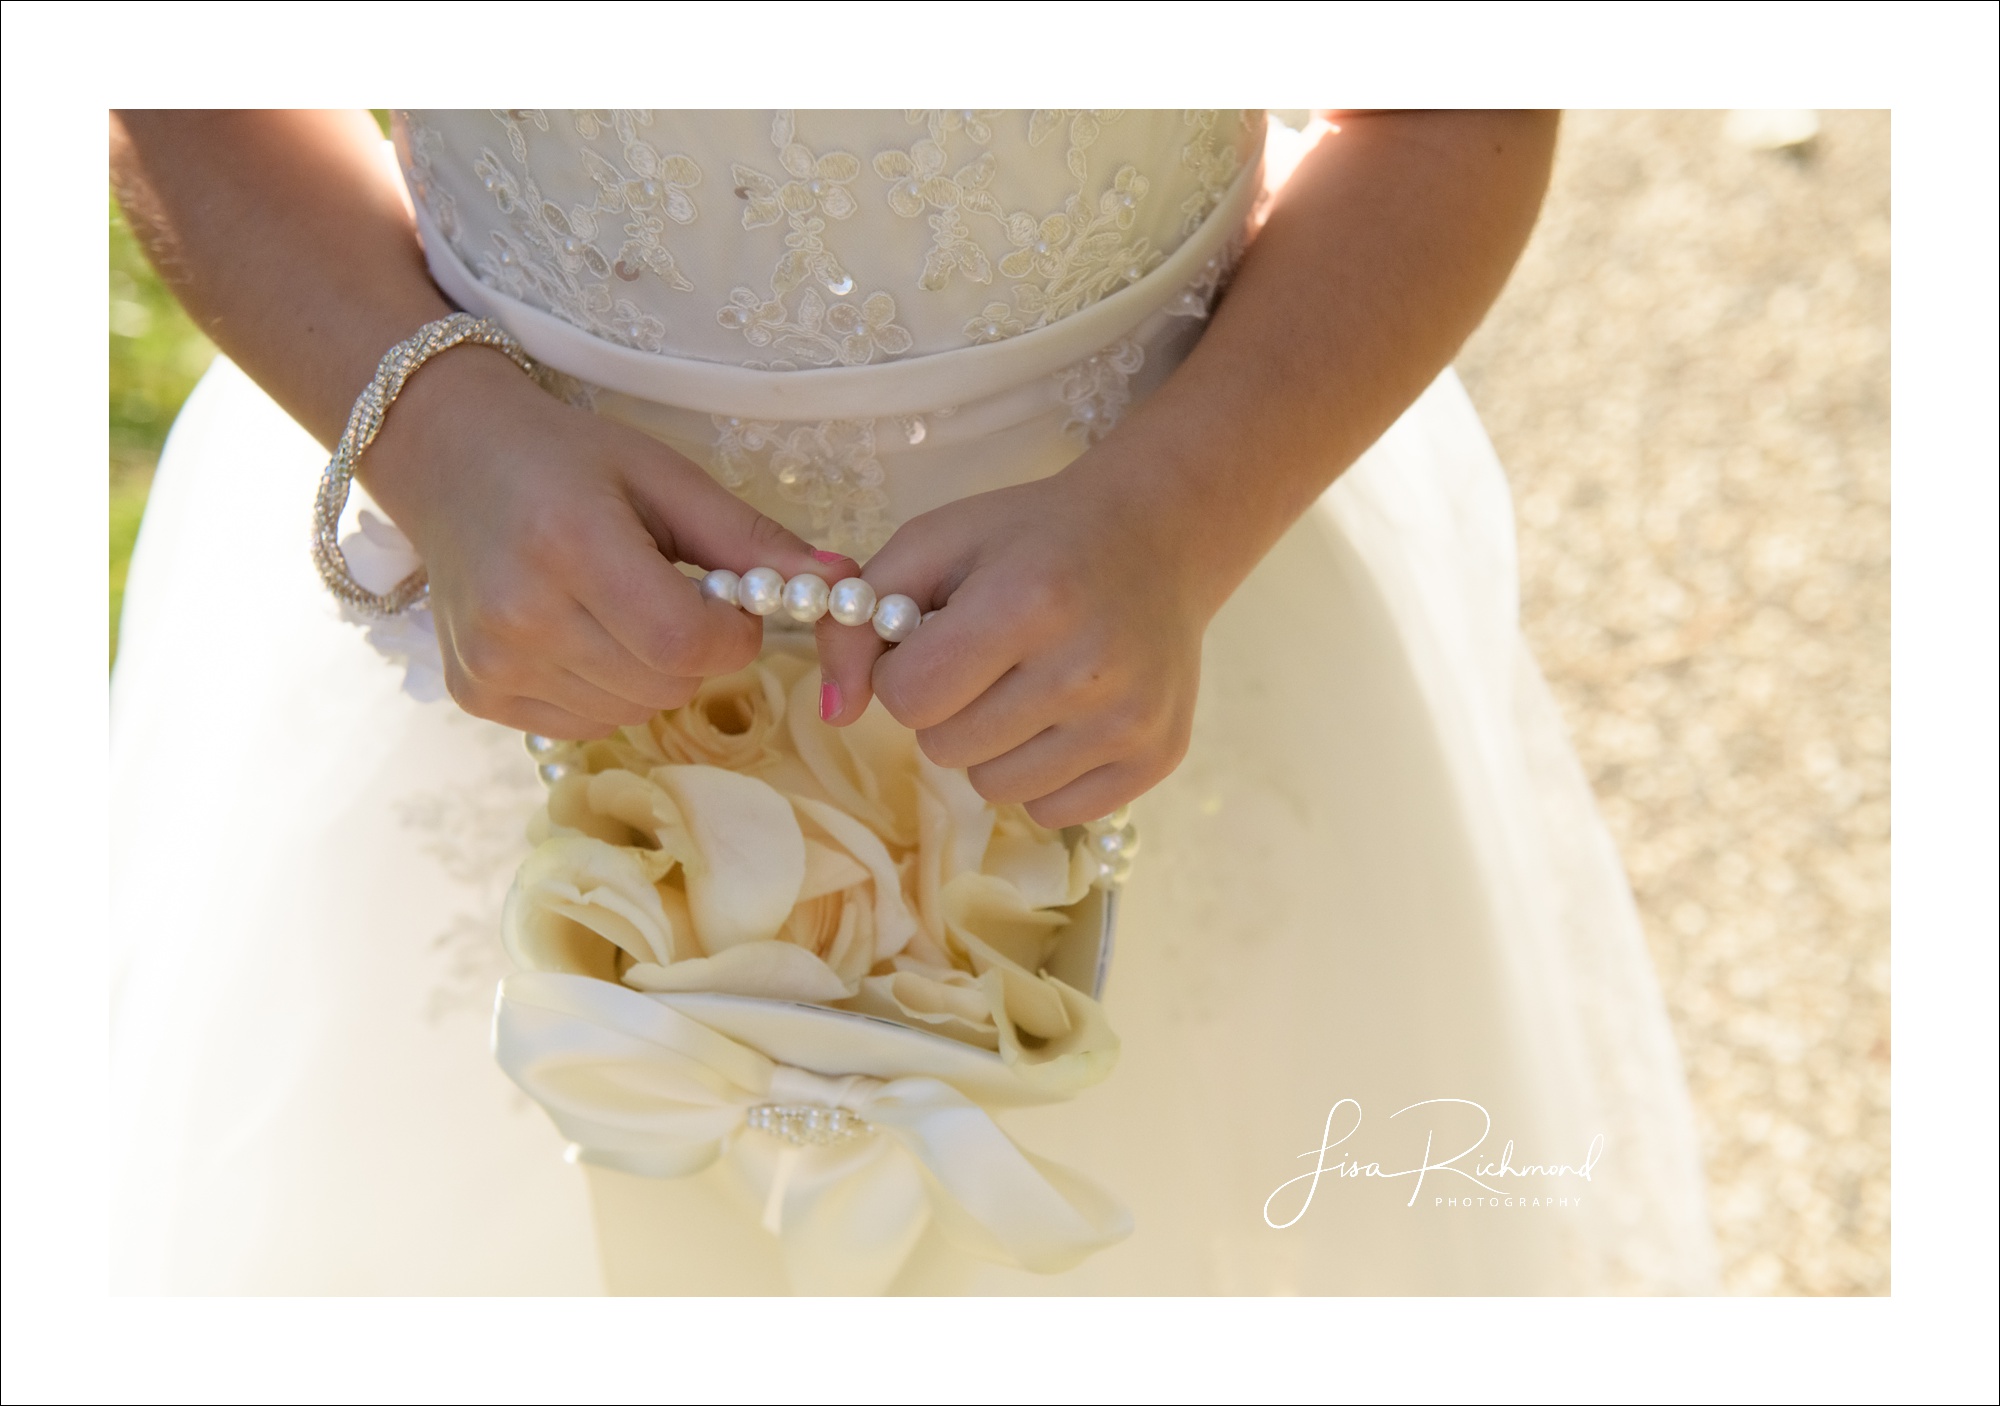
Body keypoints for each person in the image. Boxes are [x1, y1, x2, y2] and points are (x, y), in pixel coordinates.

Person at [109, 108, 1717, 1293]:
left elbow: (1467, 113)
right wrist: (445, 446)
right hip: (500, 607)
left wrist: (1180, 515)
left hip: (1159, 607)